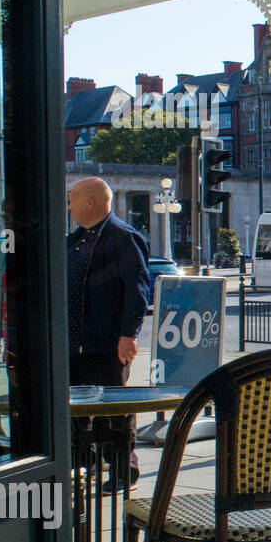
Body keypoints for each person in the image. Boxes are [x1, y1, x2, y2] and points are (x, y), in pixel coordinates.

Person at [67, 177, 152, 486]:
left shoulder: (122, 237)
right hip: (75, 344)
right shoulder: (75, 239)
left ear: (90, 203)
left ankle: (122, 470)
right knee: (76, 412)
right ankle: (83, 464)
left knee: (113, 412)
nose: (68, 206)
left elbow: (137, 290)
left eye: (71, 200)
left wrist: (128, 335)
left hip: (106, 343)